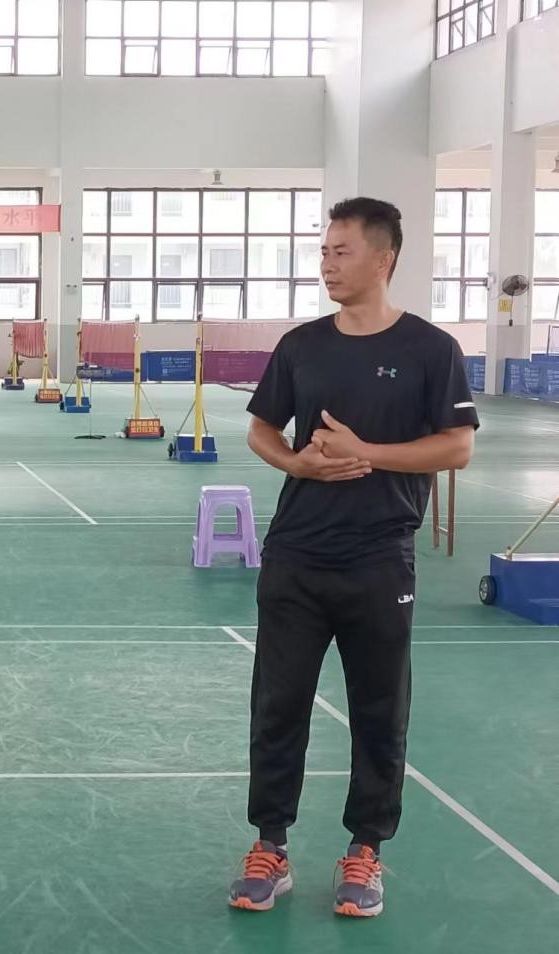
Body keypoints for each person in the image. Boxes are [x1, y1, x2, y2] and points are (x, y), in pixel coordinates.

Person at [228, 198, 478, 918]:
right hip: (296, 557)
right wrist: (296, 464)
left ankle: (365, 850)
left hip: (379, 559)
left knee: (379, 711)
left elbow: (457, 447)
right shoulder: (301, 346)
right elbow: (261, 429)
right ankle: (270, 846)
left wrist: (366, 452)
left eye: (341, 251)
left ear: (382, 258)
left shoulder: (431, 349)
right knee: (277, 706)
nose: (326, 264)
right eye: (323, 251)